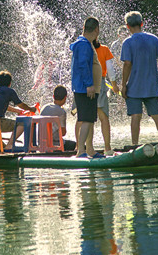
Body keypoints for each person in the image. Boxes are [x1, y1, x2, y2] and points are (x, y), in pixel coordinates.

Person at [120, 11, 158, 145]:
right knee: (157, 116)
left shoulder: (127, 42)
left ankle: (135, 146)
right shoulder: (154, 39)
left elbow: (127, 64)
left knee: (136, 116)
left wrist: (123, 85)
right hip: (152, 86)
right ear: (142, 24)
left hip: (134, 87)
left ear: (127, 26)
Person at [0, 70, 38, 151]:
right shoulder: (9, 91)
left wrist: (19, 111)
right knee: (23, 123)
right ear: (10, 83)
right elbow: (21, 105)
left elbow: (4, 106)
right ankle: (10, 145)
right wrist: (31, 109)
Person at [70, 17, 103, 158]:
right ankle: (81, 151)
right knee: (87, 119)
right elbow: (83, 65)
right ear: (96, 29)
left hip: (86, 88)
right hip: (85, 89)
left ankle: (90, 150)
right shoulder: (84, 44)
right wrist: (89, 84)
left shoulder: (85, 43)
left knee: (89, 120)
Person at [93, 38, 120, 155]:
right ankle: (107, 148)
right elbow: (110, 69)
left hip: (84, 84)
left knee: (85, 119)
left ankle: (80, 148)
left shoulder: (82, 48)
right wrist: (114, 85)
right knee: (103, 117)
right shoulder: (104, 49)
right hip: (100, 82)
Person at [40, 85, 77, 152]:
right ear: (65, 98)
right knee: (79, 146)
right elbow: (63, 133)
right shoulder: (61, 112)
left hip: (42, 143)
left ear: (53, 96)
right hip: (56, 144)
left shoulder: (44, 107)